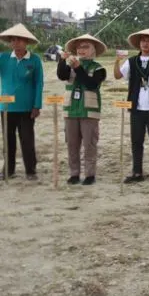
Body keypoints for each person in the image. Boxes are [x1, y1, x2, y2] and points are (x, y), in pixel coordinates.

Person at [113, 28, 149, 184]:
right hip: (136, 108)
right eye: (143, 40)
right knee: (136, 141)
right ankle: (137, 172)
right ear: (139, 43)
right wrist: (117, 61)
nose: (146, 43)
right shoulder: (131, 61)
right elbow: (118, 76)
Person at [57, 34, 108, 185]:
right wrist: (62, 60)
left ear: (93, 50)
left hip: (89, 111)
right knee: (72, 144)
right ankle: (74, 174)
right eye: (79, 47)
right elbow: (62, 75)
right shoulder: (71, 64)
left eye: (86, 46)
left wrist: (78, 68)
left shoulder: (99, 68)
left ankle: (90, 174)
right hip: (71, 109)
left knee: (89, 144)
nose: (81, 49)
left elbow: (91, 84)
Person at [0, 24, 43, 181]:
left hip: (27, 108)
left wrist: (37, 105)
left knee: (27, 140)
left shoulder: (34, 60)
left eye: (19, 40)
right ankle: (8, 170)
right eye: (13, 40)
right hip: (5, 107)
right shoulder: (3, 58)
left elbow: (39, 83)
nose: (15, 43)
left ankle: (30, 171)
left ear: (26, 42)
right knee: (8, 141)